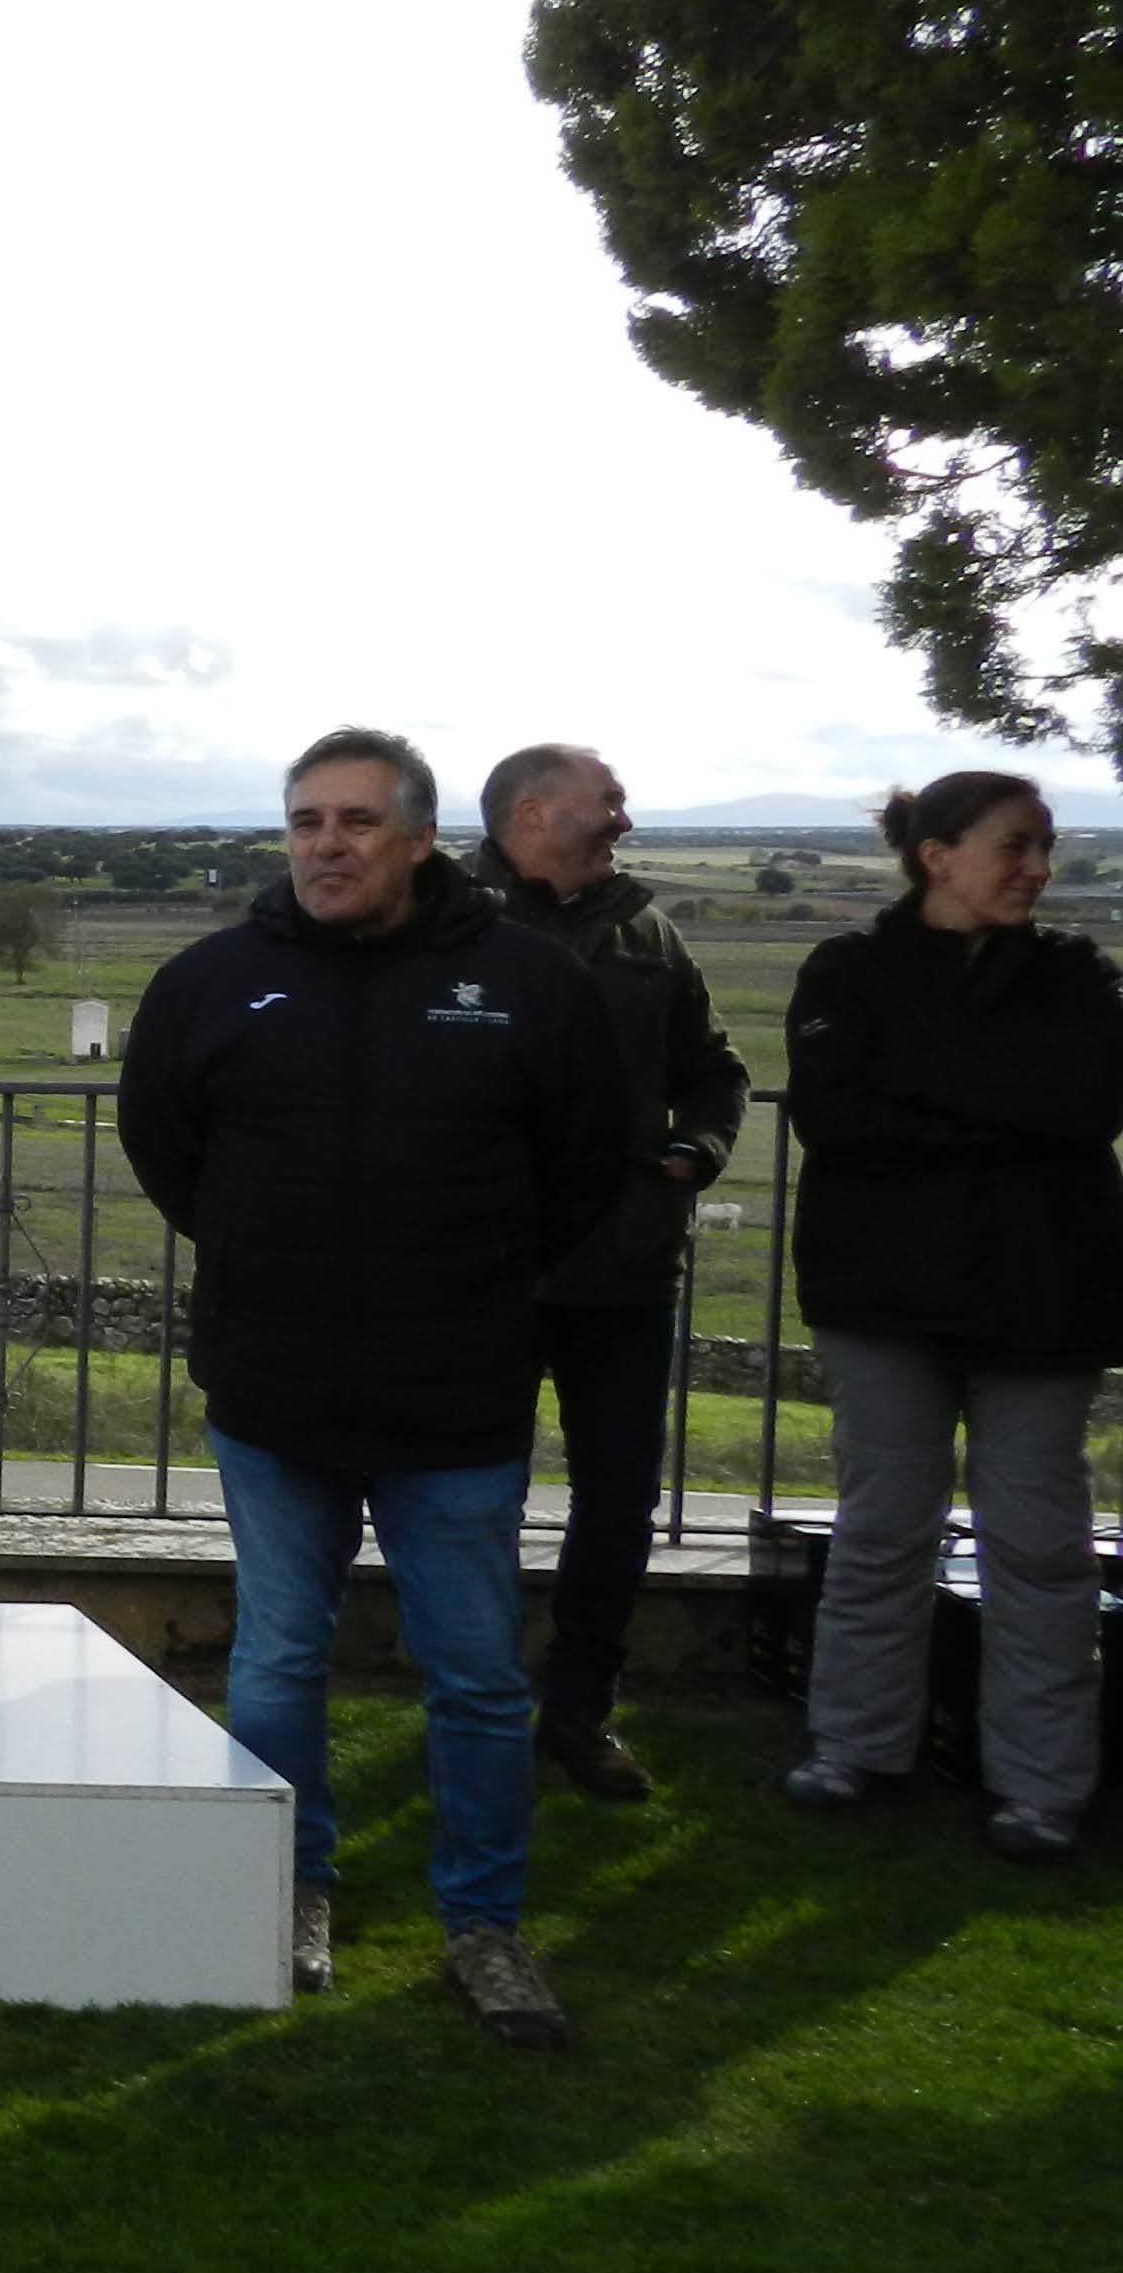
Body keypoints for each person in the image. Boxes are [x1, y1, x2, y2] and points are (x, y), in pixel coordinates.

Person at [120, 728, 628, 2048]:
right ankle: (292, 1886)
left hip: (456, 1394)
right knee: (278, 1661)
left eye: (354, 823)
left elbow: (582, 1169)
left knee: (472, 1677)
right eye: (305, 822)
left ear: (417, 838)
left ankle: (485, 1924)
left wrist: (480, 1280)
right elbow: (170, 1156)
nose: (326, 846)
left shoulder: (525, 984)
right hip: (274, 1394)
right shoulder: (213, 984)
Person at [777, 773, 1119, 1866]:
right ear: (936, 854)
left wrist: (923, 1087)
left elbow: (1088, 1103)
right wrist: (1009, 1103)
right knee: (881, 1533)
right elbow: (834, 1117)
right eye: (1014, 845)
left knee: (1038, 1549)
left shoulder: (1075, 977)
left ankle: (1041, 1787)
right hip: (883, 1302)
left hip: (1041, 1300)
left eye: (1044, 848)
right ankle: (855, 1749)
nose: (1036, 869)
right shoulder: (847, 969)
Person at [473, 744, 751, 1803]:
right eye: (612, 802)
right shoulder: (447, 922)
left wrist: (693, 1158)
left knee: (620, 1503)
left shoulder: (649, 931)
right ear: (535, 814)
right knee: (465, 1504)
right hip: (481, 1269)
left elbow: (714, 1072)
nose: (624, 819)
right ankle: (480, 1705)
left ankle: (580, 1712)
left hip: (625, 1271)